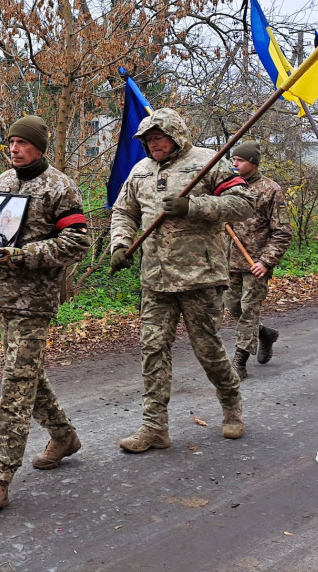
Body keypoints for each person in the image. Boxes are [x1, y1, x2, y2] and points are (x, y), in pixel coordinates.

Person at [0, 115, 90, 518]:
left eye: (21, 143)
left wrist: (24, 256)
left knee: (16, 385)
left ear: (39, 146)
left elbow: (77, 241)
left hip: (34, 300)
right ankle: (63, 435)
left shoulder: (60, 186)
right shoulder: (3, 181)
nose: (14, 149)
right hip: (1, 295)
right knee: (26, 374)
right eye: (10, 142)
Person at [109, 108, 254, 453]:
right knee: (152, 350)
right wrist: (121, 242)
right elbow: (123, 211)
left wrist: (194, 206)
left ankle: (231, 405)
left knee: (208, 350)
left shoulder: (208, 162)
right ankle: (154, 427)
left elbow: (244, 203)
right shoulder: (140, 171)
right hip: (155, 278)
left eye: (159, 137)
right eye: (148, 140)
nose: (153, 144)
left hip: (199, 277)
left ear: (176, 135)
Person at [222, 140, 292, 379]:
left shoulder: (271, 190)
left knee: (249, 310)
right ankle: (265, 334)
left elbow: (283, 231)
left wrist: (266, 261)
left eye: (239, 160)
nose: (235, 164)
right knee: (233, 307)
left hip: (256, 264)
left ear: (252, 162)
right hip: (229, 262)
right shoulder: (229, 187)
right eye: (233, 160)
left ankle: (239, 362)